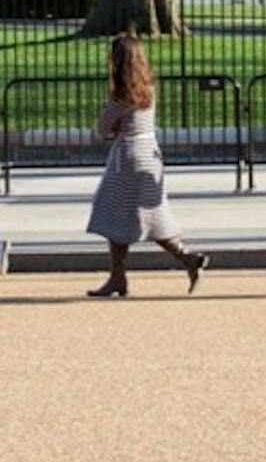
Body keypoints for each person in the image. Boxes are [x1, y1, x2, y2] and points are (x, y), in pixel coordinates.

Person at [84, 34, 210, 298]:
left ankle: (118, 277)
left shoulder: (121, 95)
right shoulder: (148, 90)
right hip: (150, 154)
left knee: (113, 215)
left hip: (127, 157)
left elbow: (102, 128)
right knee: (152, 216)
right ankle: (187, 258)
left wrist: (113, 126)